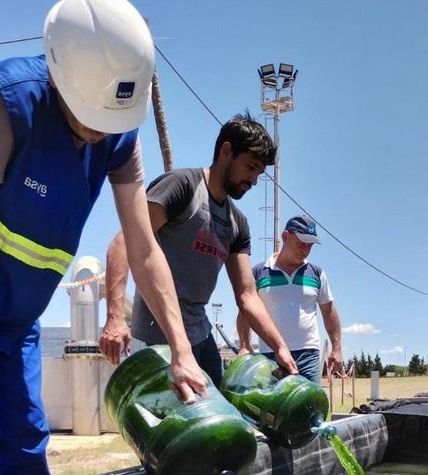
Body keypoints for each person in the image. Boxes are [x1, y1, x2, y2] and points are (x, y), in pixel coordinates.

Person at [0, 0, 207, 475]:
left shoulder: (118, 137)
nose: (102, 133)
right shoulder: (7, 104)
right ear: (61, 73)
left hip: (15, 323)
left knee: (23, 456)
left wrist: (182, 352)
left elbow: (144, 248)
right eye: (94, 117)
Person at [100, 113, 299, 387]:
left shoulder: (237, 223)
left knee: (219, 416)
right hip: (157, 334)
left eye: (259, 173)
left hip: (200, 334)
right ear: (226, 151)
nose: (253, 180)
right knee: (171, 426)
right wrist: (114, 317)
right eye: (250, 167)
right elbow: (123, 243)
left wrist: (280, 347)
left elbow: (247, 295)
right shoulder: (183, 187)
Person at [237, 214, 342, 384]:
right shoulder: (258, 272)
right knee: (272, 409)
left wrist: (336, 348)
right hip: (269, 355)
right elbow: (245, 311)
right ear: (285, 236)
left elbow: (329, 313)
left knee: (310, 407)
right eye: (302, 243)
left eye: (310, 245)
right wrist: (244, 345)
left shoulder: (317, 274)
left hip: (308, 355)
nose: (306, 249)